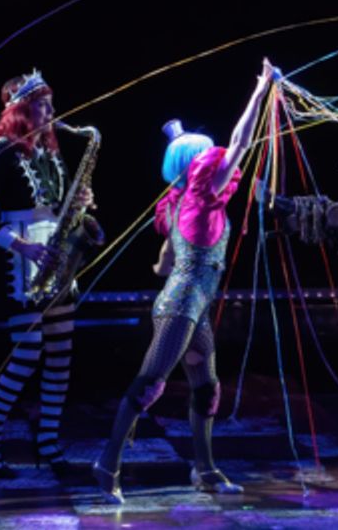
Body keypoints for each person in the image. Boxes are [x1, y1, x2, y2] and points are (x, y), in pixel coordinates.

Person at [92, 60, 273, 504]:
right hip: (180, 306)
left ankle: (205, 468)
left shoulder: (183, 204)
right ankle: (107, 463)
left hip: (192, 305)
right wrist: (262, 89)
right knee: (150, 383)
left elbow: (163, 263)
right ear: (199, 167)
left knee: (206, 387)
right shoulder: (202, 198)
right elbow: (241, 141)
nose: (223, 165)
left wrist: (173, 264)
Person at [0, 70, 99, 478]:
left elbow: (55, 208)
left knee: (60, 354)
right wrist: (22, 246)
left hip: (57, 258)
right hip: (21, 262)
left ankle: (47, 440)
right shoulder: (5, 152)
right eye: (43, 104)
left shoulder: (52, 154)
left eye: (50, 102)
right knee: (26, 355)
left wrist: (79, 204)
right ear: (23, 110)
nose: (52, 111)